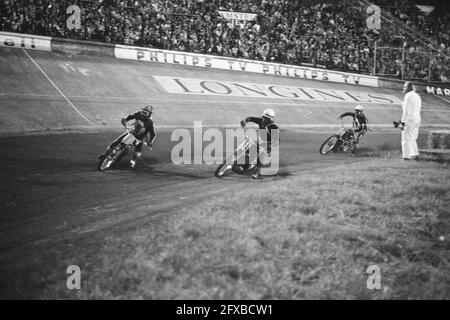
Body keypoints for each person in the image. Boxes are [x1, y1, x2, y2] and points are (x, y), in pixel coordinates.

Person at [240, 109, 279, 179]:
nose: (264, 119)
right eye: (263, 117)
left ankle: (257, 171)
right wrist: (245, 121)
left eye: (267, 118)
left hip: (270, 144)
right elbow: (250, 118)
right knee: (249, 150)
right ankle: (245, 165)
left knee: (261, 155)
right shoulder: (261, 121)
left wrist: (267, 145)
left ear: (271, 119)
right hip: (260, 140)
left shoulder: (274, 127)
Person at [399, 81, 421, 160]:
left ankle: (406, 156)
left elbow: (406, 111)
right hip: (417, 119)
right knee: (413, 138)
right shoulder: (417, 96)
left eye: (405, 87)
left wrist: (402, 122)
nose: (403, 88)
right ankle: (415, 154)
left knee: (405, 138)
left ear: (409, 88)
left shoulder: (408, 95)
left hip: (409, 119)